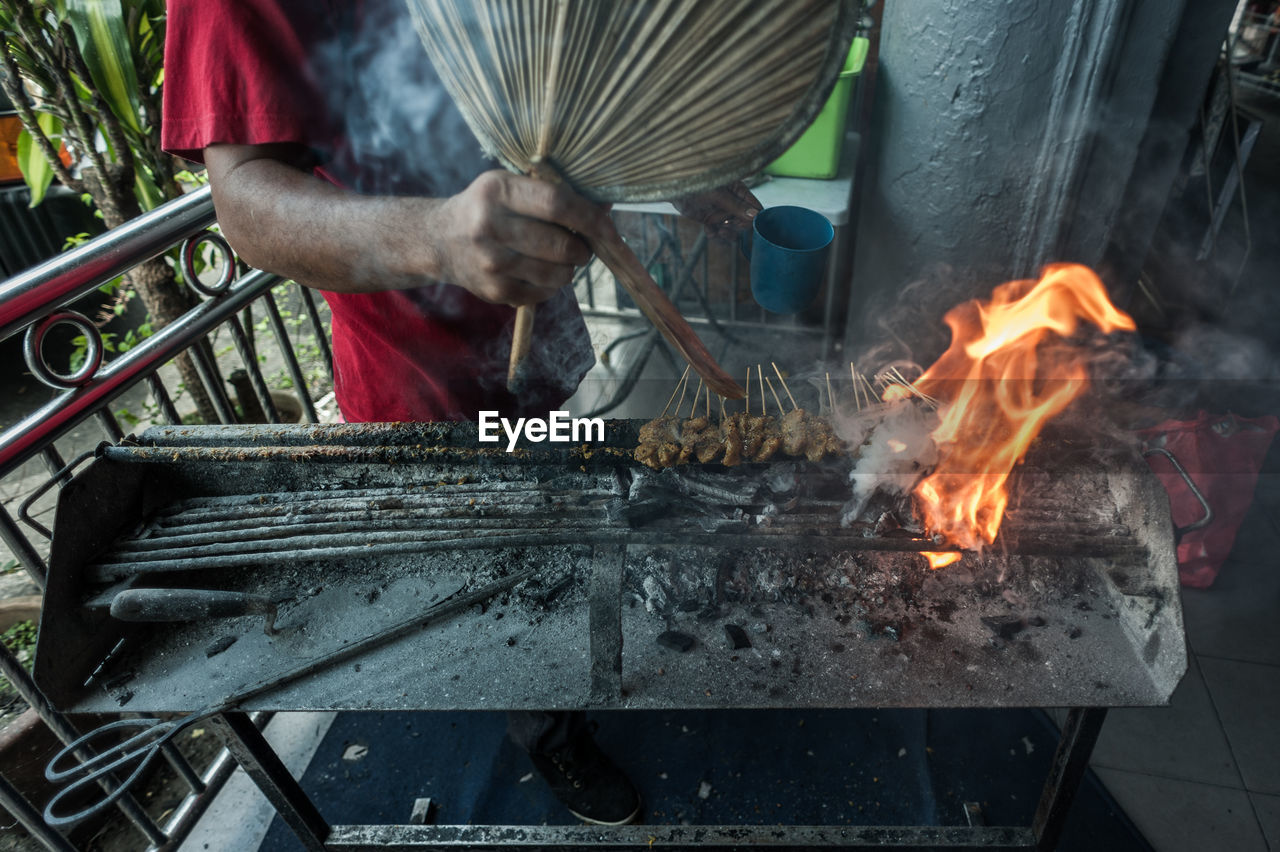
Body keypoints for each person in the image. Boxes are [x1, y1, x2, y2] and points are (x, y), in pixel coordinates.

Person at [162, 0, 760, 827]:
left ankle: (562, 661)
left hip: (531, 332)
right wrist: (440, 238)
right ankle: (548, 730)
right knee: (491, 561)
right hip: (414, 363)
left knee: (552, 512)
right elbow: (246, 204)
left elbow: (559, 91)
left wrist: (660, 165)